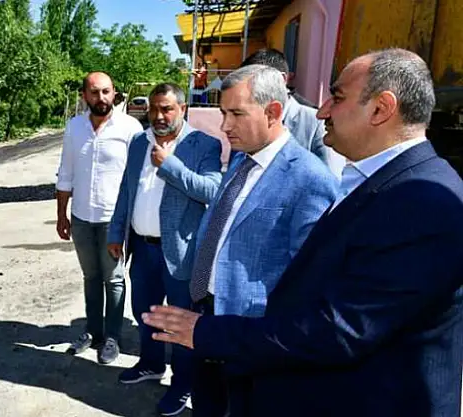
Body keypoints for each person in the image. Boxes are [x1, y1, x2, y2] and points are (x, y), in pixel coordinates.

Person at [142, 48, 463, 417]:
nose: (322, 111)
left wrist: (207, 332)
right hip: (234, 337)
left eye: (337, 97)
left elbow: (338, 328)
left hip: (304, 368)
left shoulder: (422, 200)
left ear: (381, 109)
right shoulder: (374, 181)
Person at [186, 65, 338, 416]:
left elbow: (310, 283)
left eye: (237, 114)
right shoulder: (241, 159)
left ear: (273, 112)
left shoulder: (310, 179)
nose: (225, 126)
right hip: (206, 314)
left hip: (254, 334)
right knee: (206, 405)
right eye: (223, 113)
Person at [107, 83, 223, 417]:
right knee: (145, 313)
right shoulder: (138, 142)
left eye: (167, 109)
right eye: (154, 109)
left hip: (181, 253)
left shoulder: (204, 144)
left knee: (180, 323)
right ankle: (151, 364)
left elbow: (212, 190)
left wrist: (169, 165)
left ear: (183, 109)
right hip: (142, 249)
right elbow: (126, 191)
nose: (159, 116)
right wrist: (116, 232)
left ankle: (183, 383)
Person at [55, 72, 143, 365]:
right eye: (94, 92)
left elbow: (136, 178)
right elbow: (65, 173)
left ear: (114, 93)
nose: (101, 97)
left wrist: (130, 220)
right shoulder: (74, 127)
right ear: (84, 95)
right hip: (81, 217)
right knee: (91, 277)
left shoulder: (130, 128)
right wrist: (61, 215)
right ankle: (93, 332)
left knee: (114, 279)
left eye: (106, 91)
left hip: (113, 220)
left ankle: (113, 337)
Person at [241, 48, 344, 176]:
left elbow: (332, 180)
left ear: (281, 79)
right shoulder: (246, 120)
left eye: (255, 83)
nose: (249, 91)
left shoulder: (316, 124)